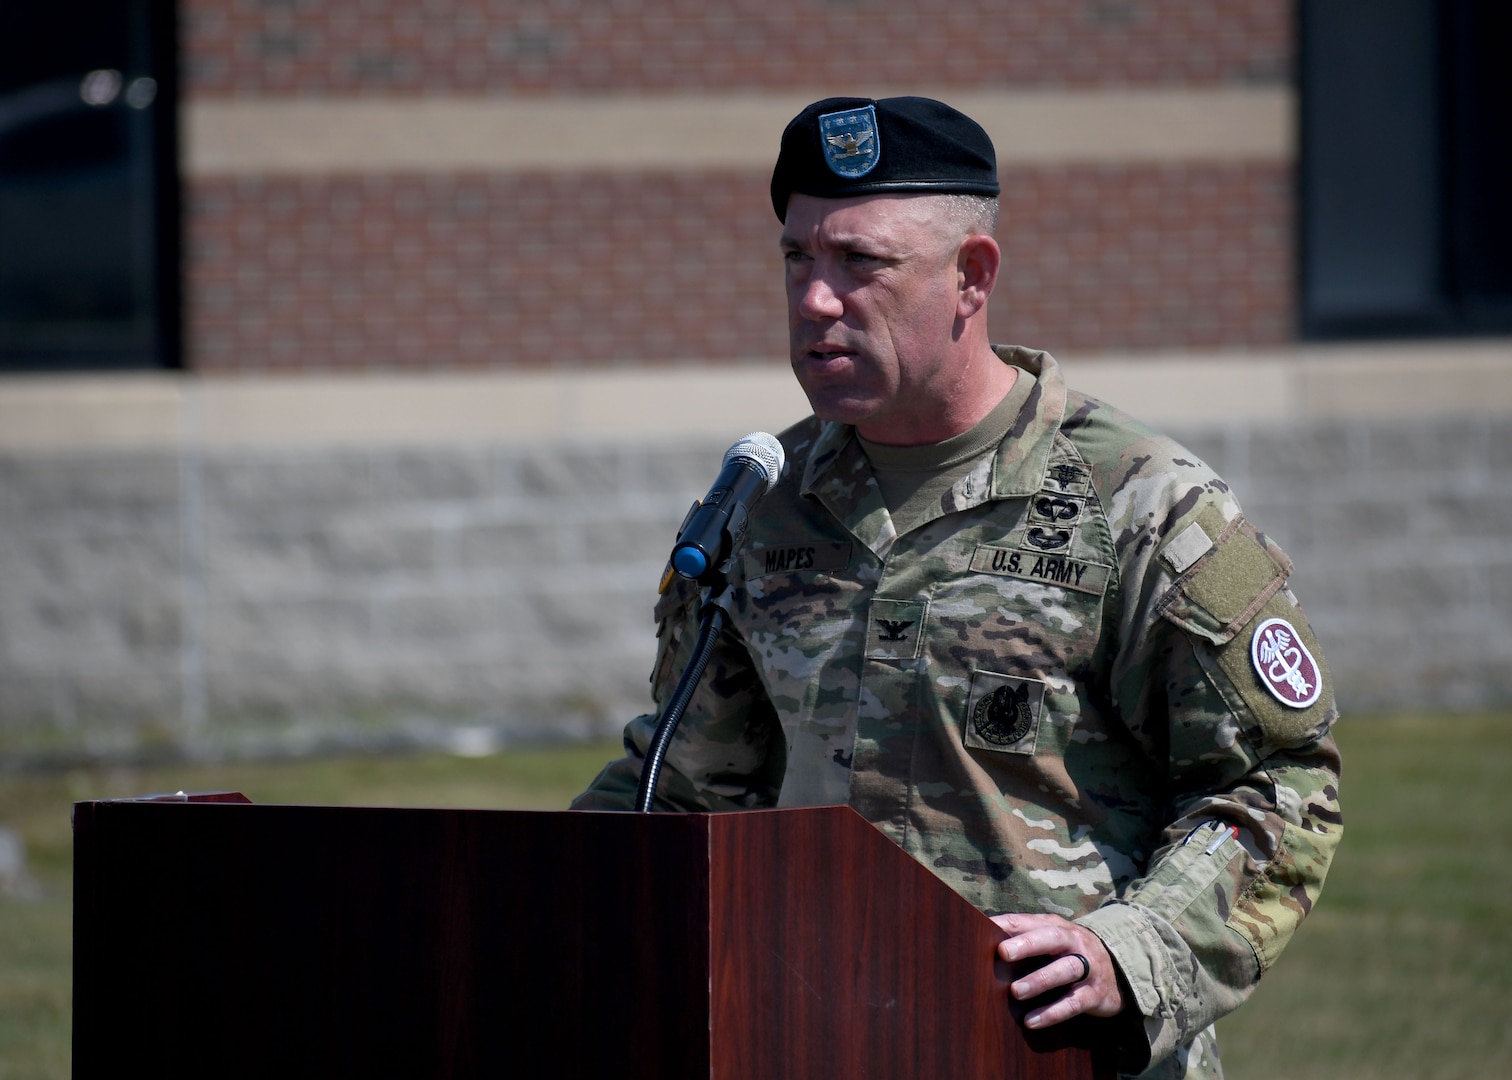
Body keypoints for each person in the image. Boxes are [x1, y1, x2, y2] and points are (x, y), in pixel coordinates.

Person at [573, 96, 1342, 1080]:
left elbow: (1280, 784)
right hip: (817, 1043)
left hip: (1058, 1055)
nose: (815, 300)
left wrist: (1131, 949)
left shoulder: (1142, 505)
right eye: (797, 259)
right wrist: (521, 904)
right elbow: (685, 791)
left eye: (861, 264)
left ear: (972, 276)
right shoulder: (761, 510)